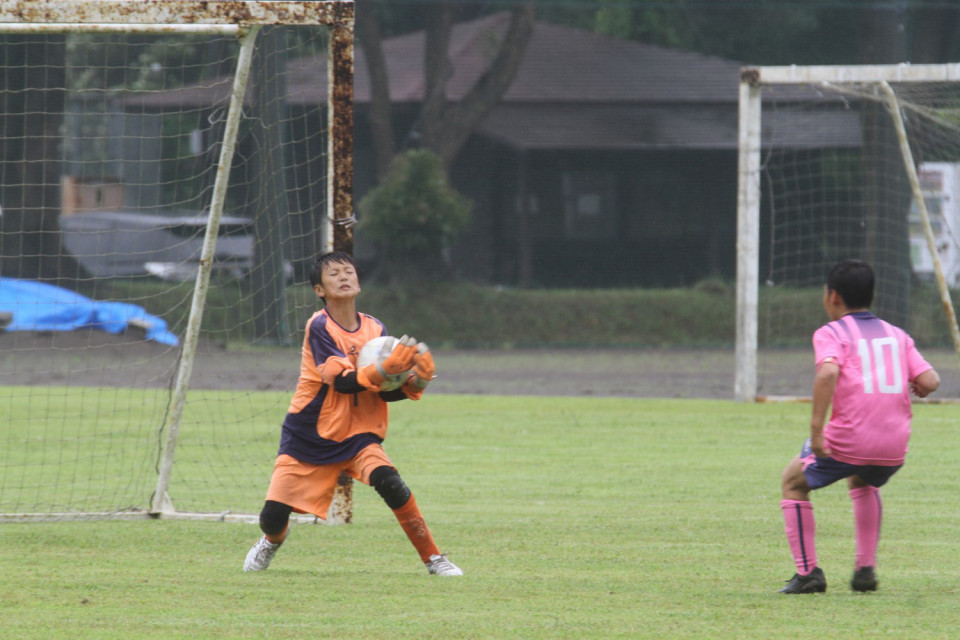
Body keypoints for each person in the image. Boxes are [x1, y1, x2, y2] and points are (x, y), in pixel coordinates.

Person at [243, 251, 462, 577]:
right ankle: (271, 541)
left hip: (358, 433)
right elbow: (344, 383)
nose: (344, 277)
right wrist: (384, 370)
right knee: (272, 517)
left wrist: (417, 382)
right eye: (334, 274)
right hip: (309, 433)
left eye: (348, 271)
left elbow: (380, 390)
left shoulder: (376, 328)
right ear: (319, 290)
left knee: (391, 483)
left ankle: (434, 559)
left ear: (358, 282)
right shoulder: (319, 326)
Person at [778, 258, 939, 594]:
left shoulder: (831, 332)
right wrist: (919, 386)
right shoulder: (897, 334)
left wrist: (817, 432)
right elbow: (930, 380)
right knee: (863, 478)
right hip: (893, 447)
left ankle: (808, 574)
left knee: (793, 482)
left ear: (833, 296)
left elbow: (827, 372)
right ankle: (865, 569)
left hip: (850, 440)